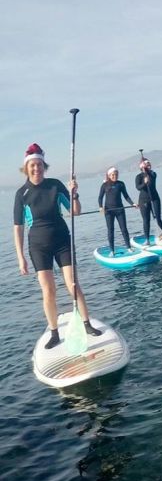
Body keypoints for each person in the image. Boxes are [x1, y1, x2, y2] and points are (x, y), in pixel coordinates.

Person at [13, 143, 102, 349]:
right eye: (33, 165)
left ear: (44, 166)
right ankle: (54, 333)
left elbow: (75, 212)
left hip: (62, 242)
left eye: (39, 164)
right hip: (38, 247)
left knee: (73, 285)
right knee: (49, 290)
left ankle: (86, 323)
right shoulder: (22, 194)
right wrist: (20, 257)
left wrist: (74, 194)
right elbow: (18, 227)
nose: (36, 168)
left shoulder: (55, 185)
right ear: (27, 168)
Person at [98, 167, 135, 255]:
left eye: (116, 174)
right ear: (109, 175)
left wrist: (132, 204)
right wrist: (100, 207)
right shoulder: (104, 185)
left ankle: (129, 247)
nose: (115, 176)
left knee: (124, 229)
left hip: (120, 210)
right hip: (109, 211)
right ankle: (112, 250)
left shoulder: (121, 184)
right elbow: (100, 197)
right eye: (113, 175)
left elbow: (126, 196)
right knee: (110, 230)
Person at [135, 158, 162, 245]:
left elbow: (151, 180)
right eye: (146, 164)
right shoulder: (138, 177)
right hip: (143, 200)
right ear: (142, 166)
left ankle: (161, 237)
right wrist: (144, 183)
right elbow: (138, 188)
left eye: (149, 163)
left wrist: (147, 175)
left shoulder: (153, 174)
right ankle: (147, 240)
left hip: (154, 198)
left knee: (158, 218)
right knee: (146, 220)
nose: (149, 165)